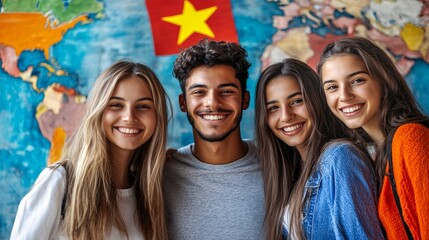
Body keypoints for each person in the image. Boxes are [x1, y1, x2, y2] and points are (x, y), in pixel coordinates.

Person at [11, 60, 170, 240]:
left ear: (158, 117)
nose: (129, 117)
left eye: (143, 106)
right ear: (98, 111)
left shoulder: (153, 194)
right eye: (116, 105)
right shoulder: (59, 181)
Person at [255, 58, 384, 239]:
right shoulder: (291, 174)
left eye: (297, 101)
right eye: (273, 108)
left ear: (318, 100)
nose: (286, 116)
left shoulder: (340, 157)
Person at [318, 37, 429, 239]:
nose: (344, 95)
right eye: (332, 87)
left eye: (357, 80)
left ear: (383, 80)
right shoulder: (376, 155)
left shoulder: (410, 138)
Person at [163, 39, 265, 240]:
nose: (212, 103)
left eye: (226, 91)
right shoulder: (159, 174)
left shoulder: (279, 163)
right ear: (183, 103)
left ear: (245, 100)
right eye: (199, 92)